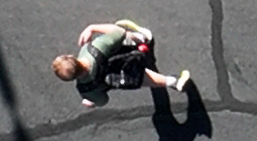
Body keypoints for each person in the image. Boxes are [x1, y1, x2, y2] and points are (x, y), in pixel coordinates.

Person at [51, 20, 192, 108]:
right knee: (119, 36)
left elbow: (103, 100)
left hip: (124, 77)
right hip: (127, 55)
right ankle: (143, 37)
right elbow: (118, 32)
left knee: (146, 79)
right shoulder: (91, 49)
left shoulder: (85, 89)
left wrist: (91, 102)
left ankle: (173, 81)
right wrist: (92, 28)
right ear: (71, 57)